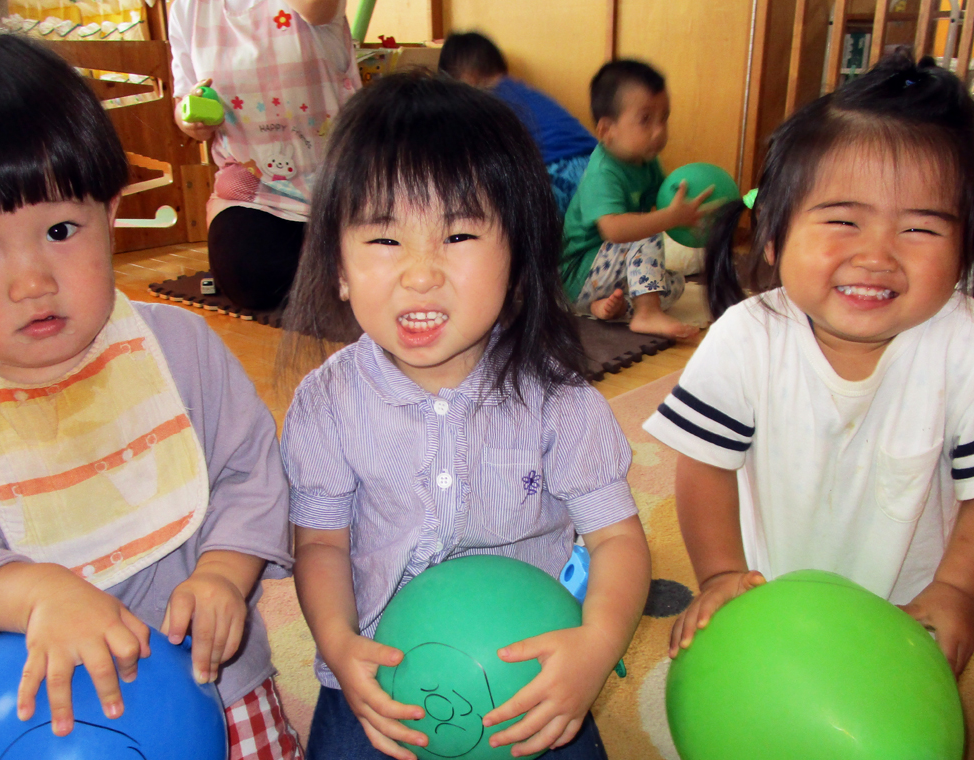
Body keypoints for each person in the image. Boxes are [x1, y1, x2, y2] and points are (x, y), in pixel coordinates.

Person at [0, 29, 301, 758]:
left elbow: (251, 475)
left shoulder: (180, 350)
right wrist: (37, 594)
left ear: (111, 212)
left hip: (218, 686)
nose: (32, 279)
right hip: (36, 714)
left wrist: (227, 570)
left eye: (62, 228)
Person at [645, 52, 974, 676]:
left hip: (903, 616)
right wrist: (721, 575)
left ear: (968, 248)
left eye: (920, 230)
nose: (876, 256)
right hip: (771, 599)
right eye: (843, 220)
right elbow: (705, 469)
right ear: (772, 232)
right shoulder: (744, 337)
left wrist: (956, 593)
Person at [279, 73, 650, 760]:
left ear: (518, 257)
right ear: (338, 265)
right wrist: (339, 646)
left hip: (528, 681)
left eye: (457, 235)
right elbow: (322, 546)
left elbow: (618, 542)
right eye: (385, 241)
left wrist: (595, 647)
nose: (421, 273)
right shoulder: (327, 404)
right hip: (384, 679)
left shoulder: (558, 398)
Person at [169, 0, 360, 311]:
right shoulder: (188, 8)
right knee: (252, 281)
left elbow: (317, 9)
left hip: (338, 180)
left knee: (366, 274)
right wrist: (192, 120)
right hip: (254, 185)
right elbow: (183, 101)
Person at [560, 59, 714, 341]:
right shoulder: (603, 172)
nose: (659, 131)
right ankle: (646, 313)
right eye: (645, 120)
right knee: (645, 230)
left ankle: (606, 308)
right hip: (578, 274)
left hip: (605, 276)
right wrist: (669, 218)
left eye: (663, 118)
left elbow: (664, 202)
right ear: (607, 131)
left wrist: (691, 214)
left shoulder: (647, 161)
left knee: (675, 284)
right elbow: (616, 230)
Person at [438, 31, 597, 217]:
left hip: (559, 173)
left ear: (466, 76)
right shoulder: (522, 91)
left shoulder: (484, 102)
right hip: (598, 167)